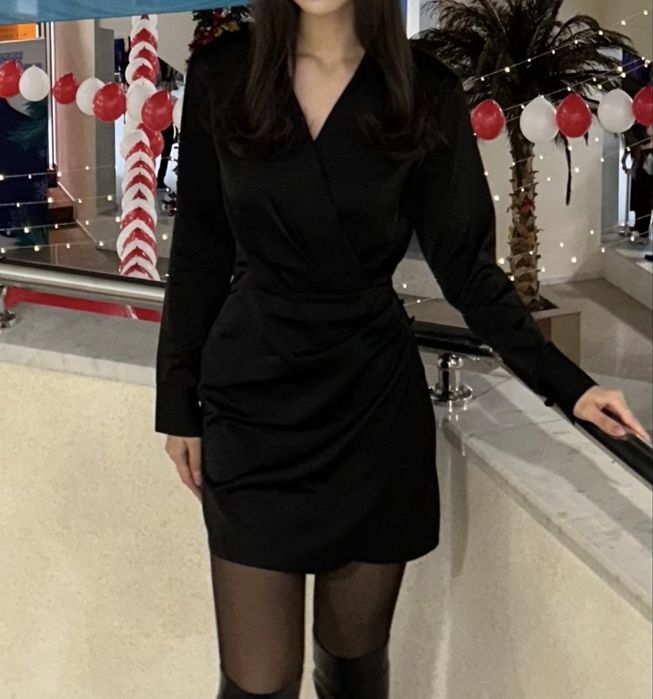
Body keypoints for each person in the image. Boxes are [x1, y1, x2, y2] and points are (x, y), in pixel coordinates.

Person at [154, 2, 651, 697]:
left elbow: (468, 270)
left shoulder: (423, 89)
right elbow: (199, 255)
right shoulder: (223, 74)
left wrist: (569, 385)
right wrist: (177, 404)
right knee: (256, 682)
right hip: (251, 404)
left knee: (355, 669)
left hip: (371, 411)